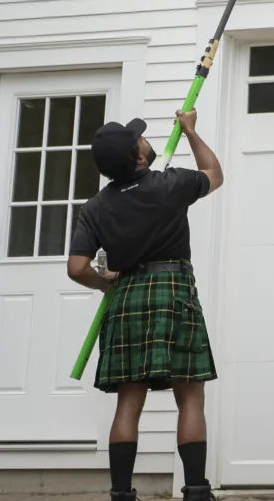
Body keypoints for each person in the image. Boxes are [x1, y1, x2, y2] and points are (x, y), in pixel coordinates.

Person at [66, 111, 224, 501]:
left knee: (129, 400)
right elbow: (214, 173)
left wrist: (105, 286)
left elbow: (76, 268)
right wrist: (189, 130)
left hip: (127, 296)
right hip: (172, 290)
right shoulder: (169, 184)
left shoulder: (95, 206)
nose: (144, 140)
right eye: (139, 139)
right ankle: (197, 491)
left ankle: (121, 494)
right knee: (189, 396)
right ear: (138, 157)